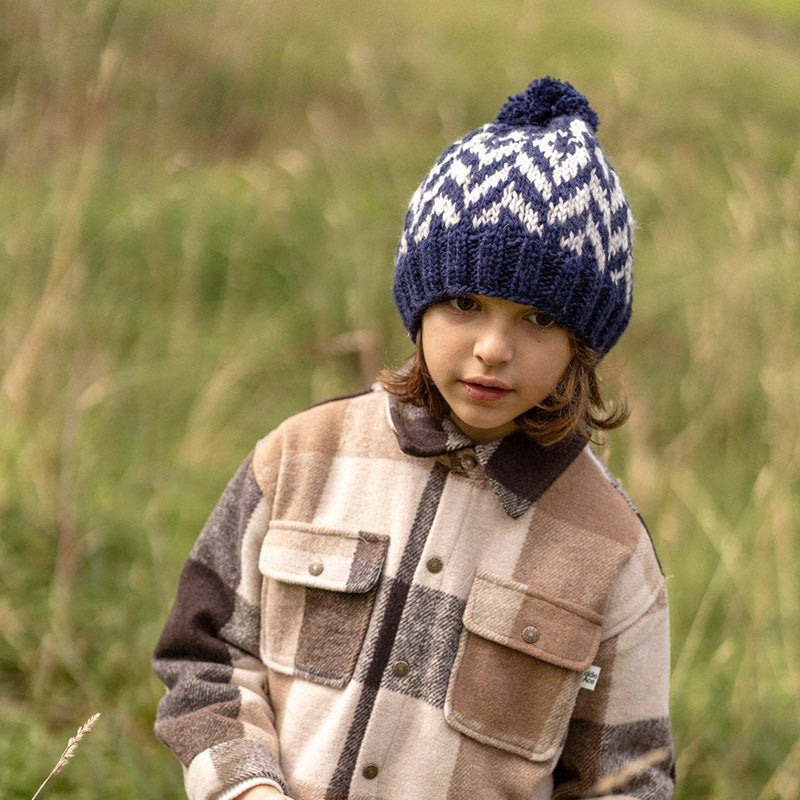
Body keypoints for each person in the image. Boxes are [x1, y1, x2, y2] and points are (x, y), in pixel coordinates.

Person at [153, 76, 674, 800]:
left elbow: (626, 783)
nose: (493, 348)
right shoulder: (300, 458)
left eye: (539, 320)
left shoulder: (613, 554)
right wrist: (245, 788)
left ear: (583, 344)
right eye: (466, 304)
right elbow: (204, 657)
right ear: (419, 304)